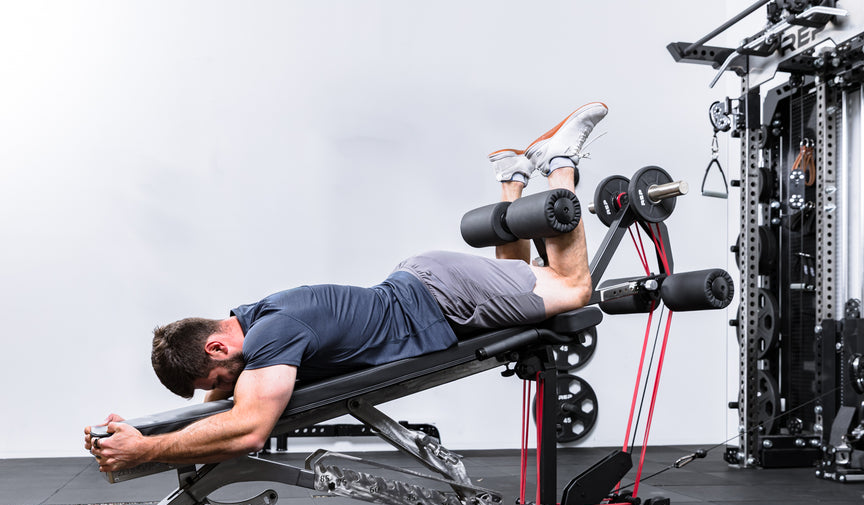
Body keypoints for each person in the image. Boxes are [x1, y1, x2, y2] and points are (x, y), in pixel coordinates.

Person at [85, 102, 608, 472]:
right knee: (524, 297)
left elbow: (247, 428)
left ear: (218, 345)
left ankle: (559, 163)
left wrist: (147, 452)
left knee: (572, 288)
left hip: (447, 298)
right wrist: (145, 429)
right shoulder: (251, 324)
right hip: (436, 289)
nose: (227, 383)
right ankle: (511, 176)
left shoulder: (272, 336)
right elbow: (226, 400)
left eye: (221, 373)